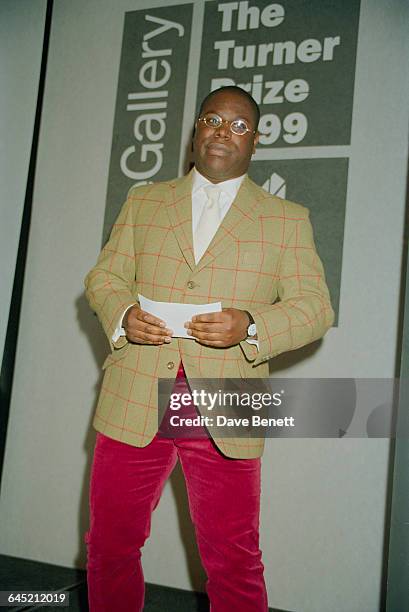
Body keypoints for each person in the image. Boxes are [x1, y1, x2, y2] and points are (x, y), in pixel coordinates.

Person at [84, 86, 334, 612]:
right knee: (109, 548)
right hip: (134, 394)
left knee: (234, 559)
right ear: (196, 130)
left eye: (239, 126)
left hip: (229, 400)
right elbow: (106, 278)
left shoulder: (286, 219)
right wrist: (124, 316)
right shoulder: (144, 201)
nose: (224, 131)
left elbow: (316, 308)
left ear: (256, 142)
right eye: (213, 120)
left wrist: (251, 325)